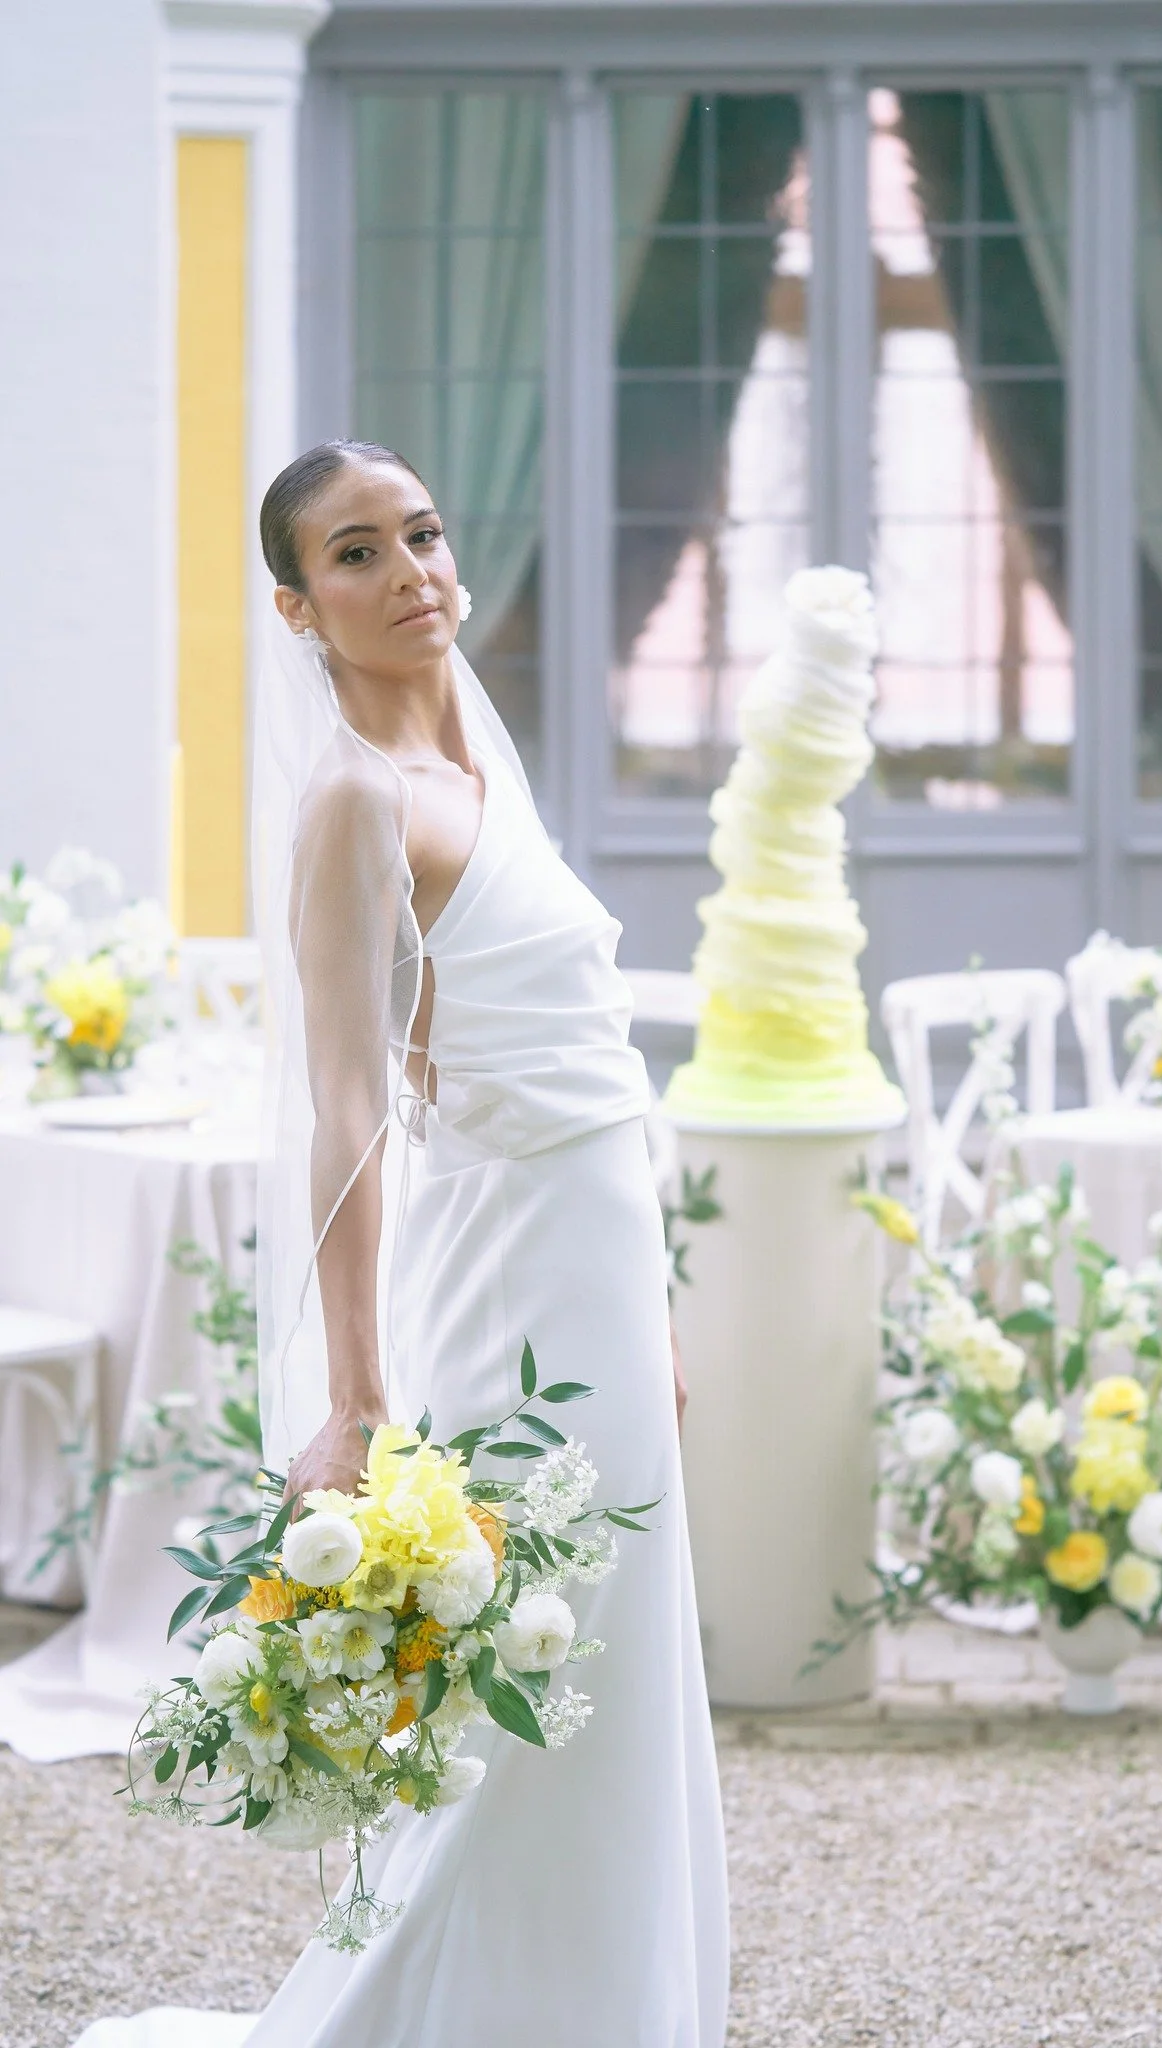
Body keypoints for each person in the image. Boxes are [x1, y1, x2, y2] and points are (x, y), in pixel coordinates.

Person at [74, 439, 728, 2047]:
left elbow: (587, 1082)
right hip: (506, 1276)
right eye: (356, 554)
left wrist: (646, 1317)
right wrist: (356, 1395)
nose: (412, 571)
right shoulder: (358, 803)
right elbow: (351, 1108)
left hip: (592, 1263)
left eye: (423, 534)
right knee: (530, 1666)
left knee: (618, 1657)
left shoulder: (484, 775)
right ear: (300, 610)